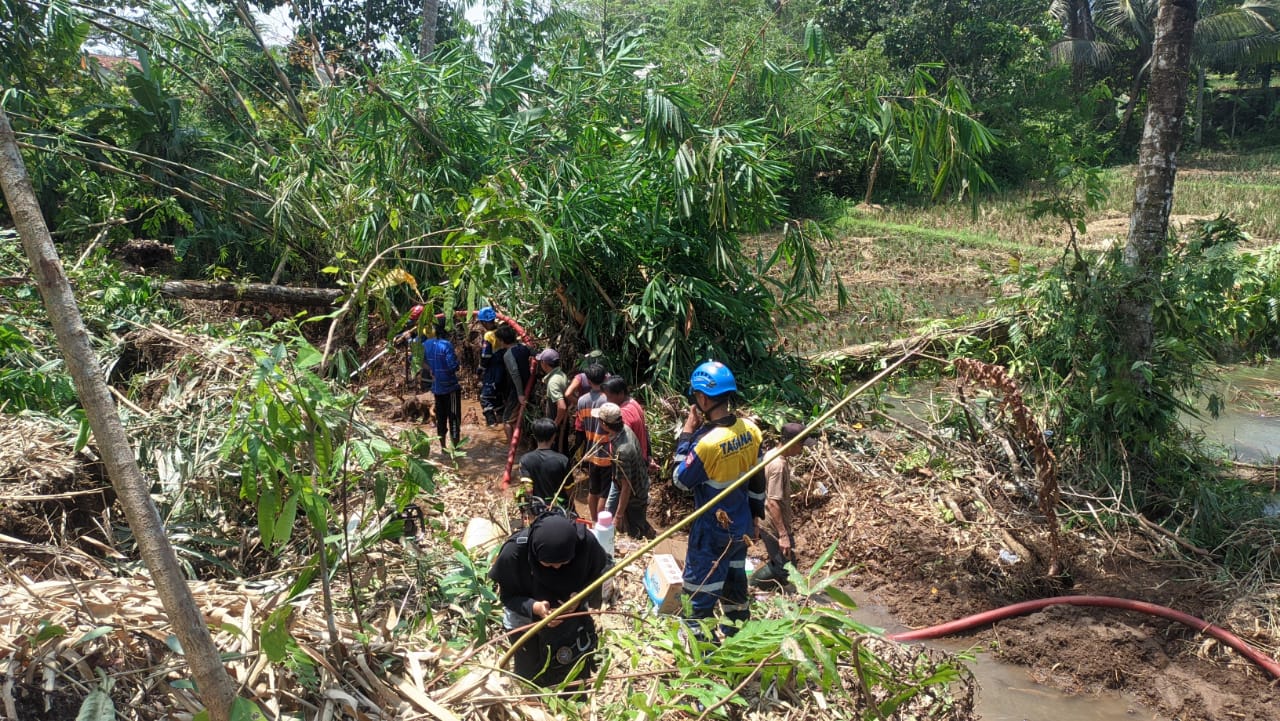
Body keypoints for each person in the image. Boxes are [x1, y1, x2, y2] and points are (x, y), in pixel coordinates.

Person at [672, 361, 764, 636]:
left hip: (713, 530)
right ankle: (738, 640)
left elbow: (680, 480)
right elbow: (757, 481)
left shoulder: (707, 444)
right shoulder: (750, 430)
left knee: (698, 595)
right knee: (735, 587)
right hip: (742, 525)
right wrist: (756, 517)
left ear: (701, 398)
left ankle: (705, 651)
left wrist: (687, 433)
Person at [488, 513, 610, 687]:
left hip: (569, 614)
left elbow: (597, 576)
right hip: (526, 621)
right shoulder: (514, 554)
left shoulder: (585, 544)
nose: (557, 568)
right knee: (529, 672)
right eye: (549, 564)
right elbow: (508, 598)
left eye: (565, 562)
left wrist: (580, 596)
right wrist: (534, 607)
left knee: (570, 662)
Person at [751, 422, 816, 589]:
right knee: (786, 569)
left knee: (782, 564)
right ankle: (750, 586)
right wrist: (783, 534)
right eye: (801, 444)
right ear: (792, 443)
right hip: (773, 525)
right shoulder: (778, 465)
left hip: (767, 521)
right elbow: (773, 502)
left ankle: (752, 586)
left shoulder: (772, 454)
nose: (802, 449)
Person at [596, 402, 654, 538]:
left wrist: (619, 515)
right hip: (626, 483)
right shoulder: (624, 429)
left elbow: (626, 487)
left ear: (604, 424)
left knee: (635, 527)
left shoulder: (623, 451)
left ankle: (648, 537)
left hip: (635, 493)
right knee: (615, 516)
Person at [574, 364, 611, 523]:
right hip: (607, 452)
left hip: (591, 451)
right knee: (605, 493)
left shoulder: (582, 401)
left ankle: (594, 522)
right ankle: (602, 524)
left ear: (588, 381)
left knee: (593, 490)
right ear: (605, 378)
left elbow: (581, 424)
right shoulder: (608, 399)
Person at [520, 418, 572, 509]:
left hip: (538, 508)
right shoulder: (563, 460)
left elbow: (528, 489)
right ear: (553, 436)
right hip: (559, 507)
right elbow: (569, 489)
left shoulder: (525, 460)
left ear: (534, 436)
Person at [496, 325, 532, 443]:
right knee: (516, 417)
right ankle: (518, 443)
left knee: (506, 419)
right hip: (528, 385)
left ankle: (511, 448)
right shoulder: (524, 348)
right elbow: (534, 352)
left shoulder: (508, 355)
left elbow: (515, 374)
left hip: (517, 390)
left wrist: (520, 394)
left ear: (502, 341)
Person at [537, 349, 571, 455]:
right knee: (562, 451)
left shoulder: (553, 382)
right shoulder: (561, 375)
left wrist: (554, 425)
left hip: (557, 425)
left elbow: (562, 407)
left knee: (556, 453)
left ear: (544, 363)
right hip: (563, 423)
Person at [476, 307, 501, 425]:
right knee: (497, 397)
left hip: (493, 369)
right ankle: (502, 420)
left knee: (485, 398)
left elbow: (486, 356)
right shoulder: (501, 331)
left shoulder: (488, 335)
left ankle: (492, 424)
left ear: (485, 322)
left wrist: (481, 369)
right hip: (503, 368)